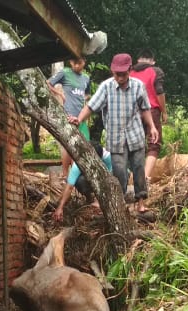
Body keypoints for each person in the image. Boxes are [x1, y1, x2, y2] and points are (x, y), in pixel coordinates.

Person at [72, 53, 159, 215]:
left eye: (123, 74)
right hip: (116, 139)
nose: (120, 77)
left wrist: (152, 127)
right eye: (117, 74)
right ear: (113, 72)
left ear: (130, 70)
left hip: (135, 136)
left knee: (139, 168)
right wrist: (79, 119)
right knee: (119, 173)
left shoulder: (138, 86)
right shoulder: (106, 87)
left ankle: (140, 203)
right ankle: (120, 204)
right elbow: (91, 107)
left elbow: (145, 109)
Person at [47, 56, 92, 180]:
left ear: (84, 62)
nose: (77, 66)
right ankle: (65, 174)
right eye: (74, 63)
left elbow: (87, 95)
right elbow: (48, 83)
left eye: (80, 63)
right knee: (67, 144)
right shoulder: (65, 72)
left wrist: (86, 107)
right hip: (68, 114)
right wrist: (60, 93)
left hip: (81, 117)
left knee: (83, 144)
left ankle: (77, 174)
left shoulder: (86, 78)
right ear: (70, 62)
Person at [129, 49, 167, 182]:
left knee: (135, 144)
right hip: (152, 111)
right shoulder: (155, 71)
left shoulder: (130, 72)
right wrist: (164, 112)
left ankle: (132, 177)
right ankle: (144, 178)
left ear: (138, 59)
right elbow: (159, 92)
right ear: (152, 61)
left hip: (133, 113)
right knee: (154, 144)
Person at [53, 144, 112, 222]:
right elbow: (69, 186)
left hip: (103, 177)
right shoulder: (79, 163)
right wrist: (60, 207)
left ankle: (100, 200)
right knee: (80, 181)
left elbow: (109, 180)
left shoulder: (107, 157)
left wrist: (99, 201)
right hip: (90, 177)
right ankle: (89, 197)